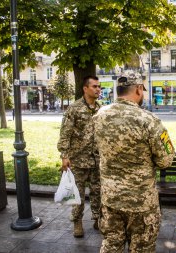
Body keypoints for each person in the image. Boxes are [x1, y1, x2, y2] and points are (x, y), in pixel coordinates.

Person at [93, 72, 175, 252]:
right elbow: (166, 160)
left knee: (111, 246)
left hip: (111, 198)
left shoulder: (99, 115)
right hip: (141, 203)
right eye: (142, 90)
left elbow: (95, 149)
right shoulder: (149, 120)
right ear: (138, 89)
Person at [57, 75, 102, 238]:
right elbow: (65, 133)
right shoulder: (74, 109)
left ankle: (98, 219)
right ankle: (77, 221)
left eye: (99, 87)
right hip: (78, 160)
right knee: (78, 195)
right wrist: (64, 155)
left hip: (97, 160)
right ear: (85, 88)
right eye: (95, 86)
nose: (98, 89)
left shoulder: (100, 108)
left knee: (98, 192)